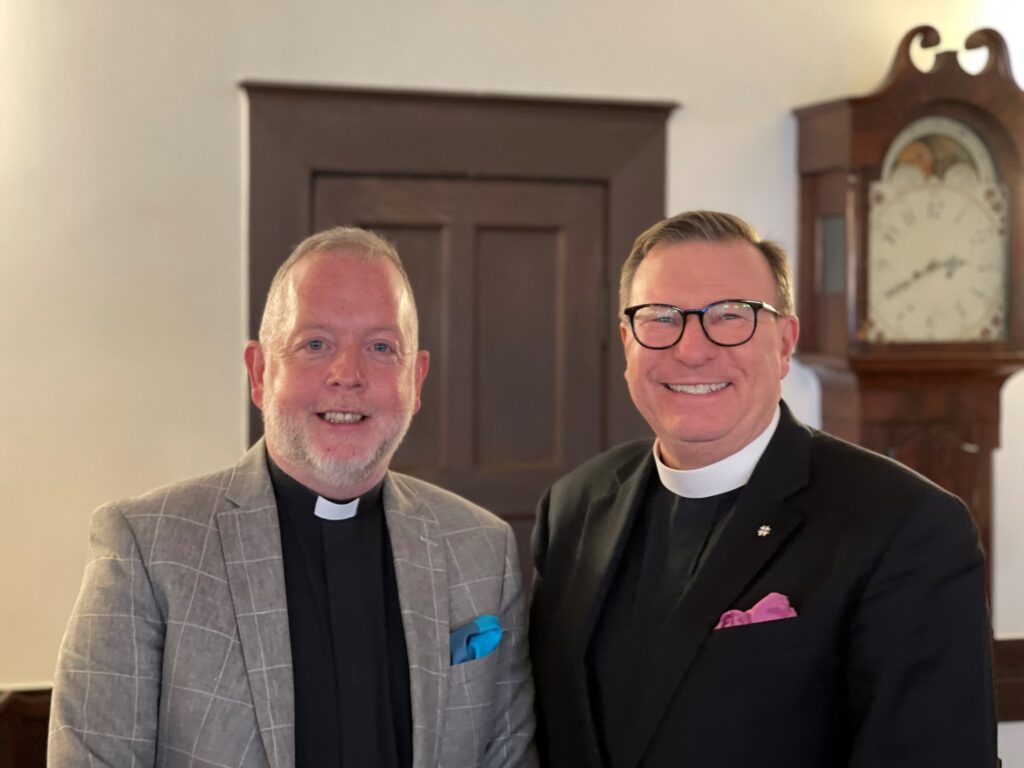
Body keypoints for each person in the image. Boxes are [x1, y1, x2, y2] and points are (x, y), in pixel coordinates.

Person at [49, 227, 535, 767]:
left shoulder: (482, 550)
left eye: (380, 347)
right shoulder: (147, 547)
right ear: (260, 373)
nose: (346, 375)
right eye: (315, 344)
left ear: (415, 380)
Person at [529, 210, 996, 767]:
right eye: (660, 317)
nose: (692, 349)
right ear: (627, 342)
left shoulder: (904, 524)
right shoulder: (574, 506)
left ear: (785, 342)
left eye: (731, 315)